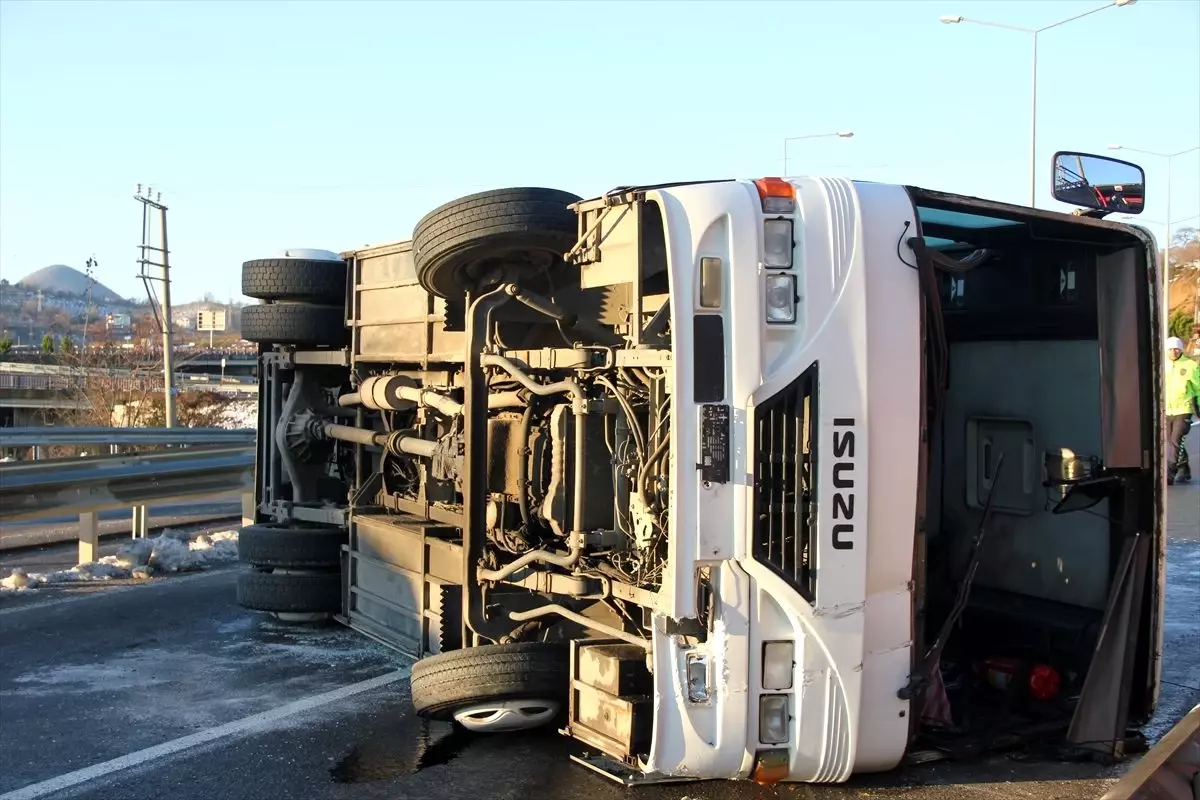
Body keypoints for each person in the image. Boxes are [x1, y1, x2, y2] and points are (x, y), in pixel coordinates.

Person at [1165, 335, 1200, 484]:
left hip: (1184, 409)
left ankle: (1170, 472)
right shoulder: (1162, 365)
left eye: (1177, 349)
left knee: (1175, 441)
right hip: (1167, 410)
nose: (1174, 352)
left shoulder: (1190, 366)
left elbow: (1198, 389)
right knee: (1171, 441)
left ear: (1181, 350)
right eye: (1171, 349)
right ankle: (1184, 469)